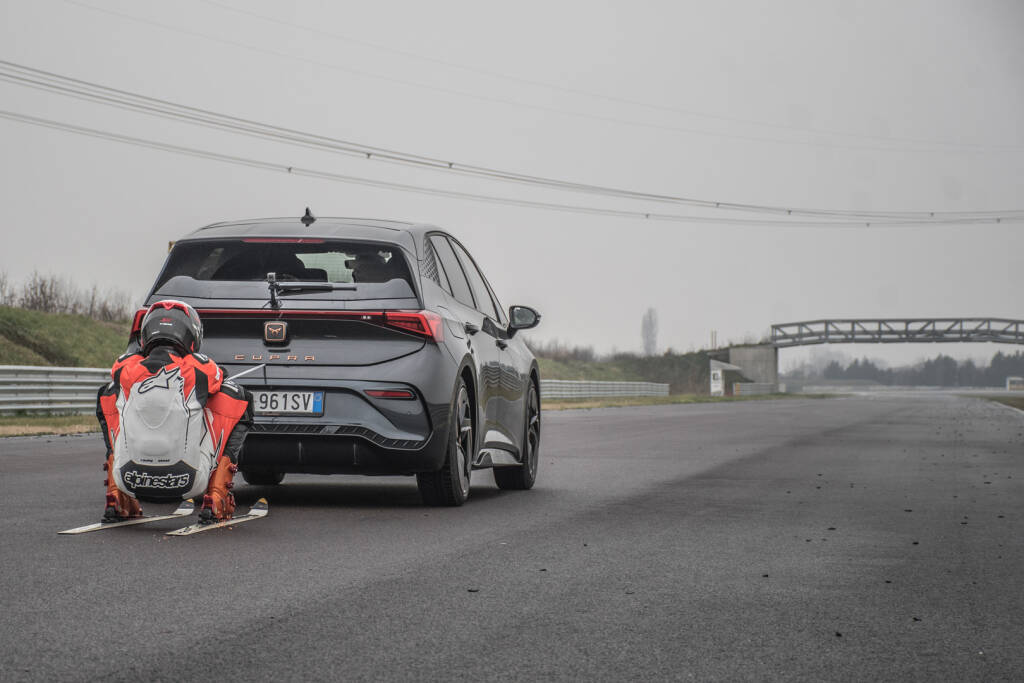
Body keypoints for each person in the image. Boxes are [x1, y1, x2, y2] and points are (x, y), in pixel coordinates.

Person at [95, 300, 252, 524]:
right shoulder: (198, 367)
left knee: (108, 393)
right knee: (235, 394)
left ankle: (116, 494)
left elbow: (122, 372)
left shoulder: (124, 368)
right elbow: (219, 377)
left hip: (128, 478)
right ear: (192, 335)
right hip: (187, 481)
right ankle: (217, 496)